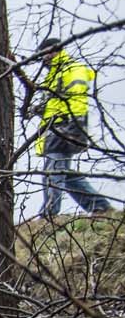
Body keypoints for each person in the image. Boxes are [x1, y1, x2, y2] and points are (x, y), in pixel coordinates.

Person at [28, 38, 111, 217]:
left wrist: (74, 128)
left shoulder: (71, 69)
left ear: (52, 51)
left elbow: (77, 99)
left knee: (53, 171)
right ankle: (99, 205)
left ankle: (49, 214)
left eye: (44, 54)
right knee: (64, 173)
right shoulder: (55, 74)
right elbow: (56, 102)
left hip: (64, 128)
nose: (42, 59)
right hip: (57, 129)